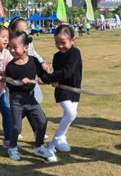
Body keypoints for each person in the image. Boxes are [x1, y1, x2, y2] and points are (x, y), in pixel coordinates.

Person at [6, 31, 57, 162]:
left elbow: (43, 75)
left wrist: (49, 80)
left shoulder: (34, 61)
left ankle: (39, 146)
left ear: (26, 47)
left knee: (42, 120)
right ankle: (12, 147)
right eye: (10, 47)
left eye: (15, 47)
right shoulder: (10, 66)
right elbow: (9, 85)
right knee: (17, 126)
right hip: (16, 99)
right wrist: (19, 83)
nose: (12, 50)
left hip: (30, 98)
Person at [40, 25, 82, 153]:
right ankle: (59, 137)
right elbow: (58, 72)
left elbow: (67, 72)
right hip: (62, 90)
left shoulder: (75, 53)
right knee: (71, 113)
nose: (60, 46)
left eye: (63, 43)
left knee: (69, 116)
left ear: (72, 40)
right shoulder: (56, 56)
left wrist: (49, 78)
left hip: (74, 90)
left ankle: (51, 146)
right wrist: (52, 80)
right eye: (57, 43)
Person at [8, 17, 49, 141]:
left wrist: (41, 62)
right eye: (20, 30)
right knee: (17, 108)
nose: (24, 32)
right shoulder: (11, 46)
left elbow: (34, 54)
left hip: (29, 79)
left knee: (32, 105)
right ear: (12, 31)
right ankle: (15, 130)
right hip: (15, 81)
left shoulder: (28, 43)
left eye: (26, 29)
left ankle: (37, 131)